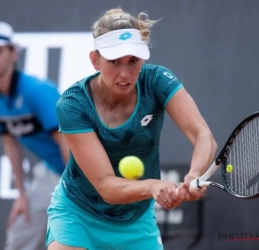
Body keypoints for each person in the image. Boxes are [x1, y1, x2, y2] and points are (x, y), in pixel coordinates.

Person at [47, 8, 217, 250]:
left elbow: (203, 135)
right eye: (114, 62)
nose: (125, 73)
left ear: (143, 60)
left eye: (133, 61)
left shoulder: (157, 80)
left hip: (135, 220)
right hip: (78, 214)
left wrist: (195, 174)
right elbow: (106, 186)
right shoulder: (72, 105)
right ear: (95, 60)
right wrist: (152, 186)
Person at [0, 21, 69, 250]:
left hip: (81, 170)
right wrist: (22, 195)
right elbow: (11, 144)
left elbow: (67, 140)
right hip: (52, 172)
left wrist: (78, 186)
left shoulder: (36, 90)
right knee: (21, 225)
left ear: (13, 54)